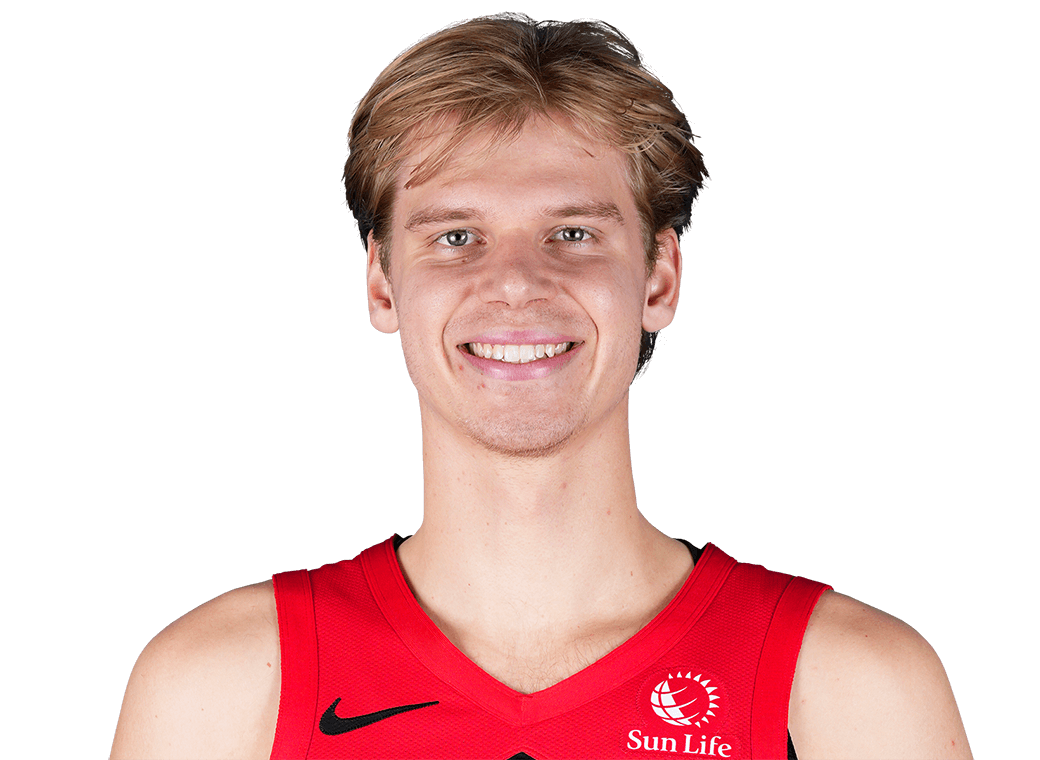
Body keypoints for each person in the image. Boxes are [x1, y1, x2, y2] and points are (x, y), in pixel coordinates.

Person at [110, 14, 973, 759]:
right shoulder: (217, 685)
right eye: (456, 237)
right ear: (380, 285)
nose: (517, 283)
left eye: (572, 232)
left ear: (659, 279)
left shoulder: (854, 684)